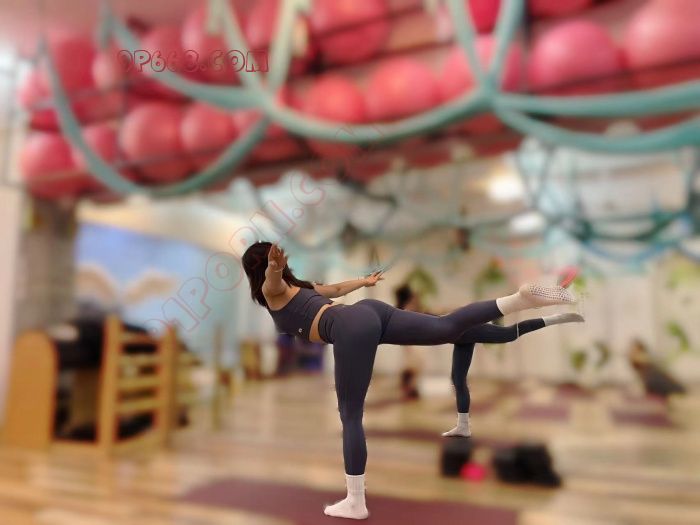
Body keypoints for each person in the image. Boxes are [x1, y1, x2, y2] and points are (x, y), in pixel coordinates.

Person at [242, 241, 578, 520]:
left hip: (349, 327)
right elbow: (333, 289)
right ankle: (516, 300)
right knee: (446, 327)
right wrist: (364, 282)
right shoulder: (293, 288)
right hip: (371, 311)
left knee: (350, 415)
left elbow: (281, 283)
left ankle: (355, 502)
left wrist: (274, 269)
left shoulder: (275, 292)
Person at [443, 313, 584, 437]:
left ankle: (556, 318)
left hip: (465, 329)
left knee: (510, 334)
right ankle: (463, 426)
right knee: (458, 379)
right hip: (459, 336)